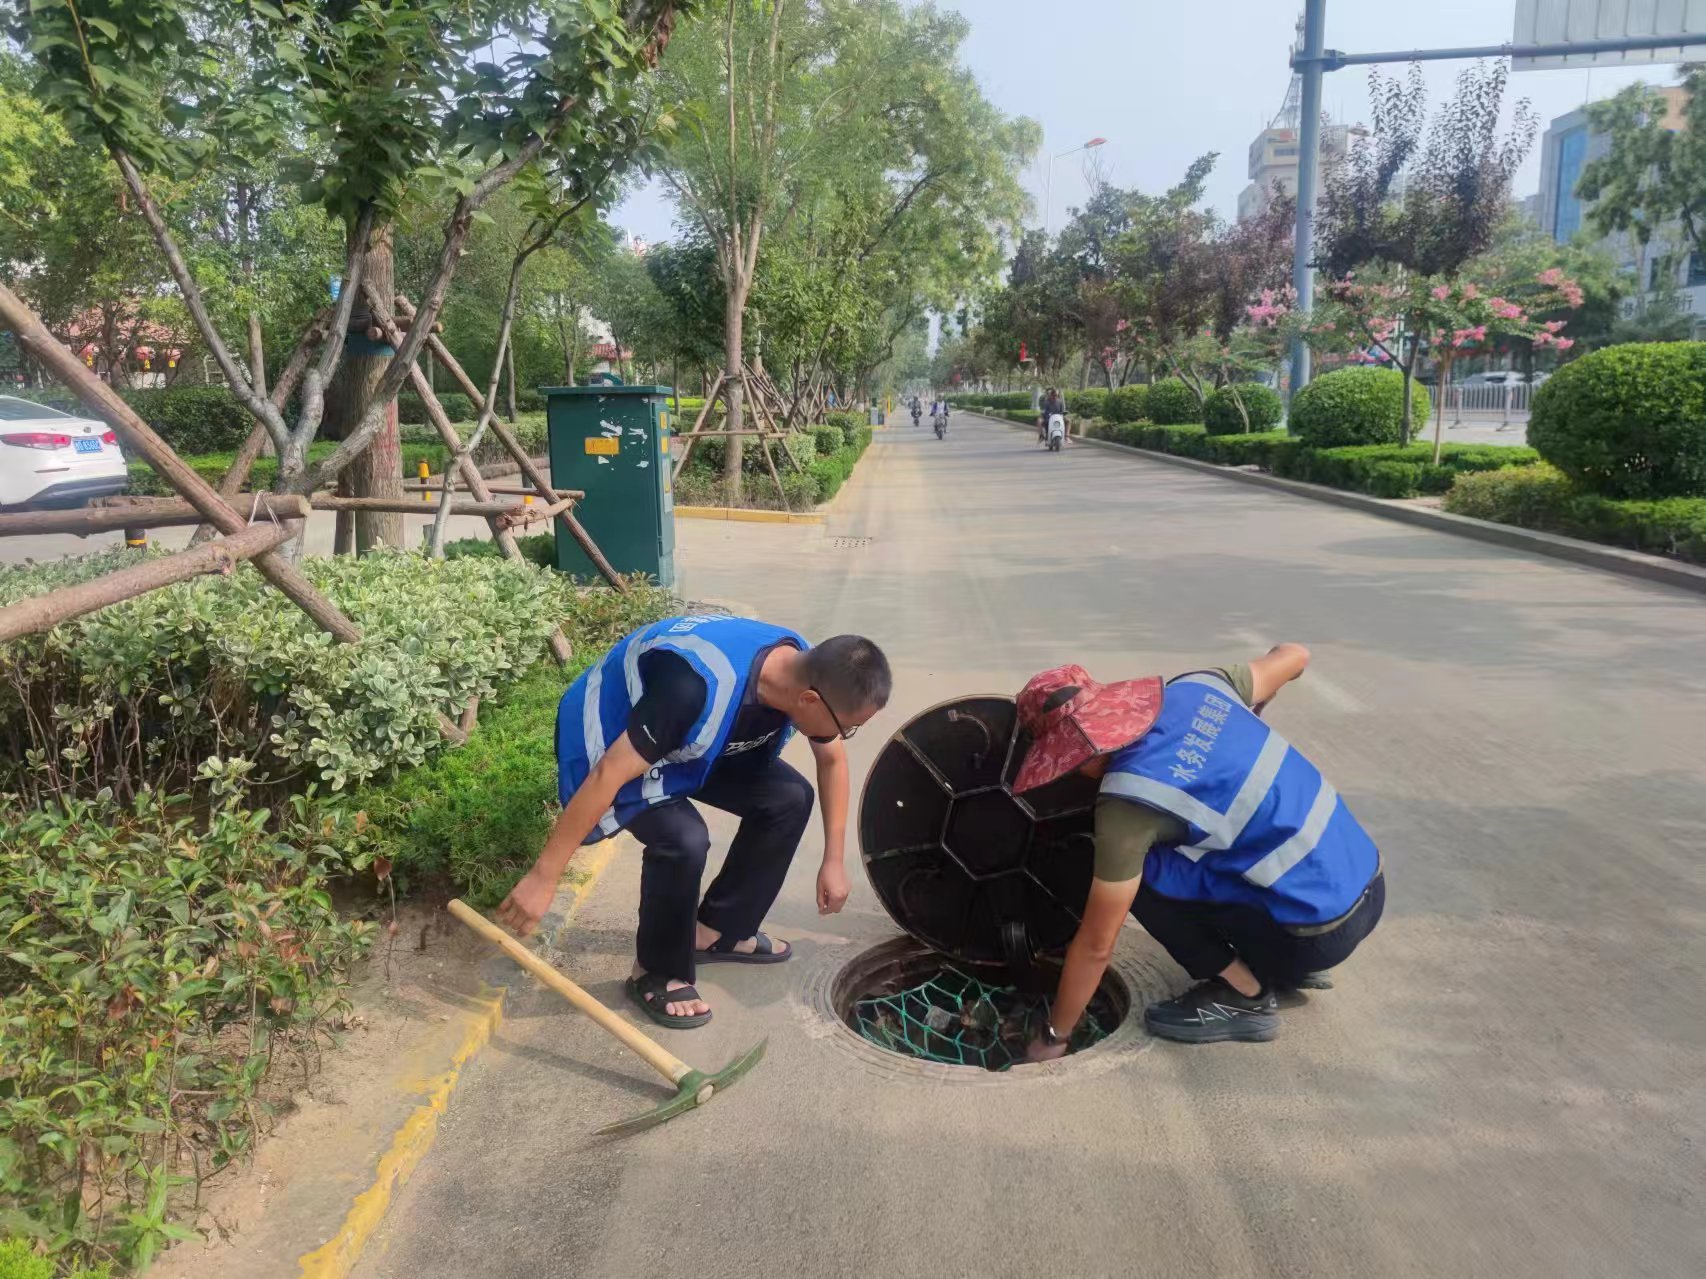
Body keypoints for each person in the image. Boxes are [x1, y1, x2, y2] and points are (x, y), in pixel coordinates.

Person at [497, 615, 893, 1029]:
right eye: (848, 728)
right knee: (684, 839)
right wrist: (544, 876)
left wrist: (833, 860)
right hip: (615, 734)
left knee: (789, 798)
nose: (844, 735)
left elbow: (831, 761)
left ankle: (720, 931)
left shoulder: (808, 671)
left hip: (690, 740)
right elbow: (608, 774)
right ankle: (656, 971)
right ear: (809, 700)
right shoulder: (693, 687)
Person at [1009, 645, 1384, 1051]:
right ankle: (1282, 961)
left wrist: (1054, 1034)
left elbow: (1098, 946)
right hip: (1367, 887)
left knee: (1136, 876)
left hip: (1313, 935)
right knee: (1222, 840)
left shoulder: (1129, 804)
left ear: (1076, 752)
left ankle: (1245, 996)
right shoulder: (1200, 687)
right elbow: (1295, 655)